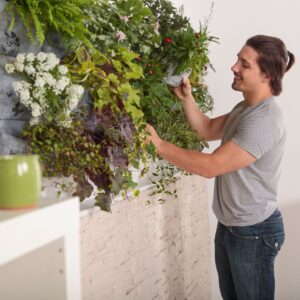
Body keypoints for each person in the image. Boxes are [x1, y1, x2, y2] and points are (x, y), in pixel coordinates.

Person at [146, 35, 295, 300]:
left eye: (244, 64)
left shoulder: (266, 119)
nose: (234, 66)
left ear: (266, 75)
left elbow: (212, 166)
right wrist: (186, 98)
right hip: (231, 227)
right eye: (238, 59)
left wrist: (159, 145)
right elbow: (206, 129)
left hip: (254, 233)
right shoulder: (245, 108)